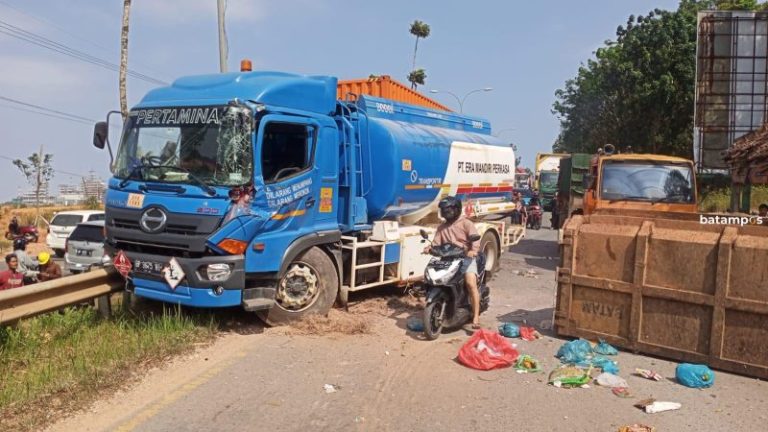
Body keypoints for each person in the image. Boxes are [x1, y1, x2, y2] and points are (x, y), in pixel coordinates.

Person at [423, 196, 482, 329]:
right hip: (448, 258)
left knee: (470, 282)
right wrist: (429, 248)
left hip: (466, 257)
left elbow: (475, 239)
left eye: (447, 209)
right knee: (435, 278)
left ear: (456, 209)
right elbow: (436, 243)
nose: (445, 212)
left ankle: (476, 316)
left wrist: (473, 250)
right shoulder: (441, 227)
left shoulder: (466, 223)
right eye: (443, 209)